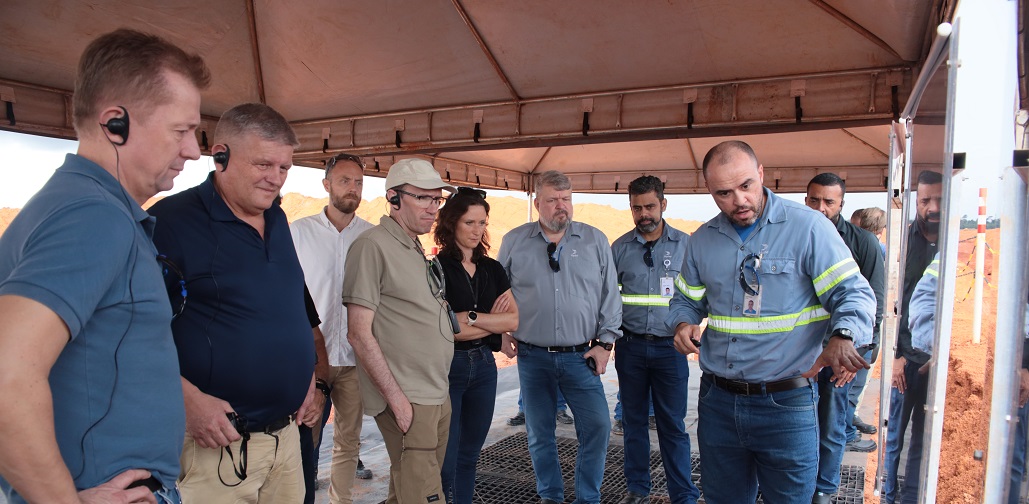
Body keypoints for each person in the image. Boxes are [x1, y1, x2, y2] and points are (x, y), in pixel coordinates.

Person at [0, 29, 209, 504]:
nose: (194, 150)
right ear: (115, 122)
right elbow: (6, 375)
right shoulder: (92, 216)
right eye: (181, 130)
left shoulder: (84, 207)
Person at [666, 140, 875, 504]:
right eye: (724, 193)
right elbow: (685, 298)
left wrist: (843, 334)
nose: (739, 200)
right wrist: (683, 323)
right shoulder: (702, 241)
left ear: (761, 174)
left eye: (746, 185)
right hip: (718, 404)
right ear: (710, 192)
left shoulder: (809, 228)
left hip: (786, 405)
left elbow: (853, 293)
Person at [149, 103, 322, 503]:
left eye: (284, 169)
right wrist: (185, 399)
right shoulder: (171, 224)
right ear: (221, 154)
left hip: (285, 439)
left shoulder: (278, 220)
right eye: (264, 164)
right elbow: (123, 333)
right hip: (217, 448)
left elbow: (289, 307)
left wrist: (306, 373)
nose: (275, 179)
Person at [497, 170, 622, 504]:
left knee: (597, 426)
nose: (560, 207)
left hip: (582, 356)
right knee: (540, 434)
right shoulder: (514, 241)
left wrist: (605, 344)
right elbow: (496, 290)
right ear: (537, 202)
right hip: (533, 356)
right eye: (552, 200)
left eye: (566, 199)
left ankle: (587, 498)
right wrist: (501, 334)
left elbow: (611, 296)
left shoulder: (595, 240)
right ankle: (550, 496)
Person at [342, 158, 456, 504]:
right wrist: (397, 402)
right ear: (393, 197)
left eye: (436, 200)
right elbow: (359, 334)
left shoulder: (413, 245)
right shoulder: (372, 245)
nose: (432, 208)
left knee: (406, 490)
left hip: (434, 391)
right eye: (422, 198)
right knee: (424, 496)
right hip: (408, 396)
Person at [290, 152, 376, 503]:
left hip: (356, 359)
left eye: (358, 182)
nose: (352, 189)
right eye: (344, 181)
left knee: (348, 442)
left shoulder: (372, 238)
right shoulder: (299, 233)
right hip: (312, 361)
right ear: (326, 185)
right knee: (305, 441)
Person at [610, 175, 699, 504]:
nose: (644, 214)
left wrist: (691, 325)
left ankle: (683, 494)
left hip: (670, 349)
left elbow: (699, 295)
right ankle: (637, 490)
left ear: (663, 204)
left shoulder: (686, 245)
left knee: (672, 425)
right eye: (637, 208)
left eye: (650, 206)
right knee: (633, 422)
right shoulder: (618, 248)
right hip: (630, 347)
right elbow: (608, 299)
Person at [434, 186, 519, 504]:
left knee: (470, 458)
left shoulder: (493, 268)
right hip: (448, 369)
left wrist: (469, 316)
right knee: (446, 461)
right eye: (470, 222)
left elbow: (512, 321)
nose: (477, 229)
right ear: (452, 223)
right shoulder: (436, 269)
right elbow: (445, 331)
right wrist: (486, 321)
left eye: (482, 222)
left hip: (485, 366)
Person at [805, 173, 886, 502]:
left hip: (838, 356)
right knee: (797, 425)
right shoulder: (794, 236)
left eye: (829, 202)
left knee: (831, 423)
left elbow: (873, 303)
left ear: (841, 204)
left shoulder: (863, 242)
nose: (820, 208)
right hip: (799, 355)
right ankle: (798, 482)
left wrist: (856, 354)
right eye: (814, 200)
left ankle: (824, 488)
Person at [882, 170, 942, 504]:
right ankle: (889, 497)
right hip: (905, 359)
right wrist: (895, 355)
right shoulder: (903, 243)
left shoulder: (956, 244)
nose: (932, 207)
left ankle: (911, 498)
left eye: (939, 200)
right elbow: (892, 304)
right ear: (915, 201)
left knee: (923, 436)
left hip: (935, 361)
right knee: (894, 437)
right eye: (925, 200)